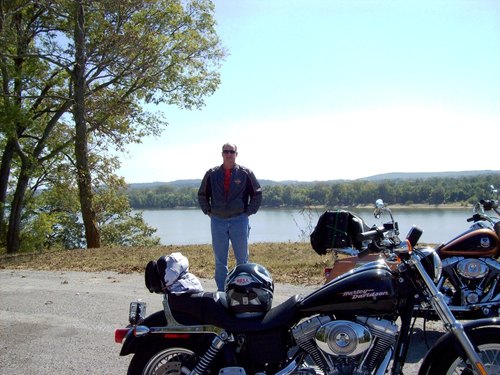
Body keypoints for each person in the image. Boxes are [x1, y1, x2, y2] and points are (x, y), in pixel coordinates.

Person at [198, 143, 262, 291]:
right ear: (222, 154)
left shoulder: (245, 173)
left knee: (242, 260)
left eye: (231, 152)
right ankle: (222, 291)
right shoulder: (212, 174)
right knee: (220, 261)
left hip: (239, 220)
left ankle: (242, 290)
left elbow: (257, 193)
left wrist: (248, 212)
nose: (229, 154)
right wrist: (208, 211)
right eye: (226, 151)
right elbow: (202, 194)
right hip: (217, 221)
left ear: (236, 154)